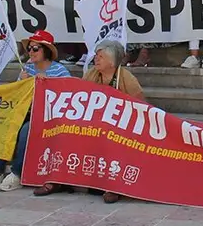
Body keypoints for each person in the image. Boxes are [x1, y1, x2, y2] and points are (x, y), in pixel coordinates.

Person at [35, 40, 143, 202]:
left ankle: (113, 186)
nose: (96, 59)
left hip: (118, 126)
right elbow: (78, 95)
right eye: (96, 56)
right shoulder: (91, 74)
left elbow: (142, 109)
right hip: (90, 122)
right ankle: (57, 179)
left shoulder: (128, 80)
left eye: (101, 57)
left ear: (112, 61)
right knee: (65, 131)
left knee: (111, 137)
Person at [0, 30, 70, 193]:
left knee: (25, 131)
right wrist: (22, 82)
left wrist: (48, 83)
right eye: (29, 48)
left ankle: (17, 173)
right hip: (26, 111)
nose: (31, 52)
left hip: (48, 116)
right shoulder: (27, 69)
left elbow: (67, 98)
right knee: (7, 124)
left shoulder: (60, 71)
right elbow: (18, 95)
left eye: (36, 49)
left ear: (46, 50)